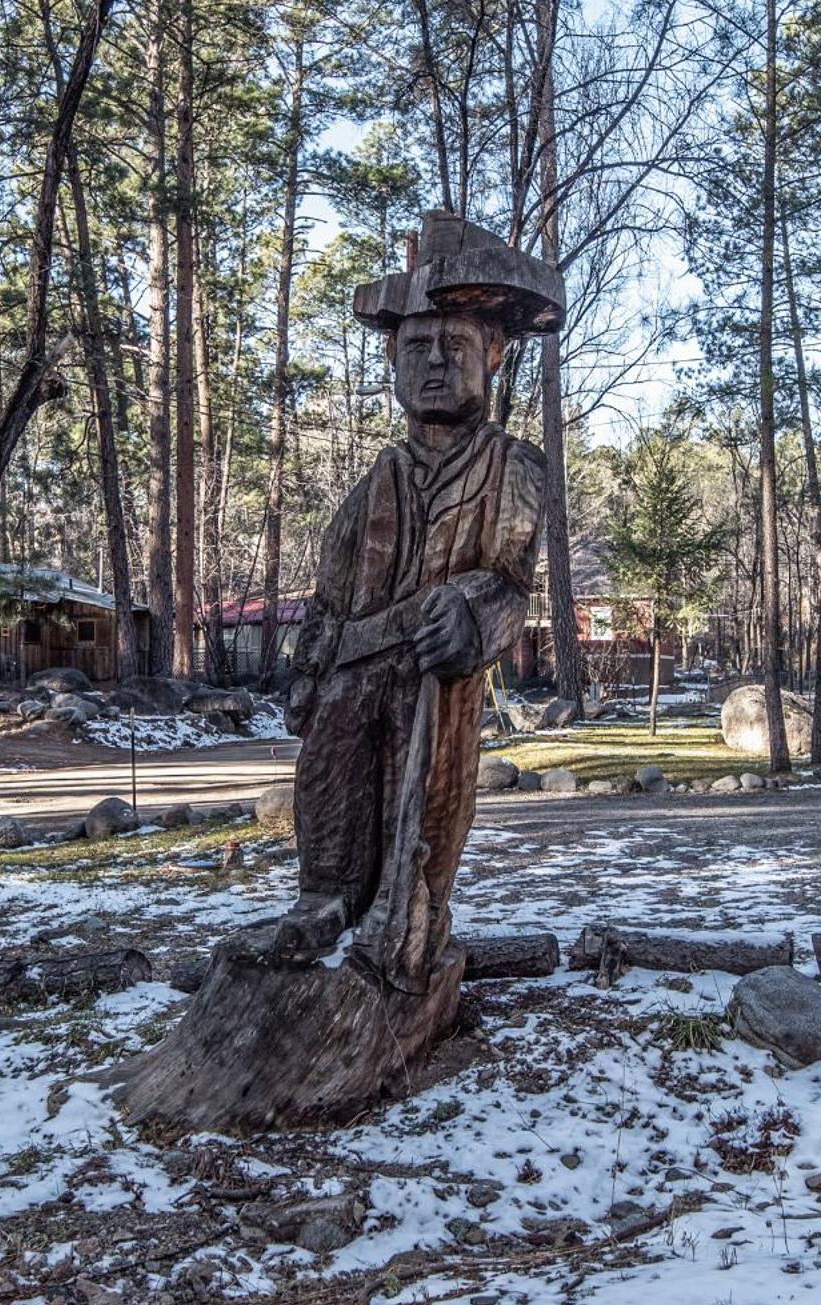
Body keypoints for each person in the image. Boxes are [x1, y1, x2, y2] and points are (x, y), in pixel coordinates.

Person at [270, 212, 565, 976]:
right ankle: (326, 893)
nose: (434, 361)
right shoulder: (376, 482)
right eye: (416, 346)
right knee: (330, 766)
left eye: (455, 345)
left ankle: (412, 903)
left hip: (434, 677)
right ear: (392, 360)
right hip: (351, 674)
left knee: (425, 780)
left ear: (494, 354)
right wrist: (308, 672)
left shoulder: (514, 470)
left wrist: (476, 619)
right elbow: (330, 592)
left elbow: (511, 587)